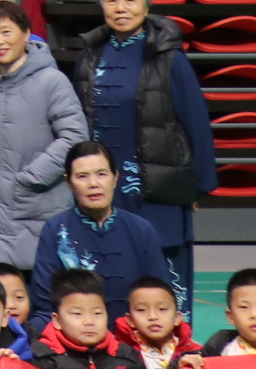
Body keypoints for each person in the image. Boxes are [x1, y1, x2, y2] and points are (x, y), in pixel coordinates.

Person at [60, 0, 217, 306]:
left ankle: (171, 337)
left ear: (146, 8)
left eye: (130, 0)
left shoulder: (168, 57)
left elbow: (196, 122)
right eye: (112, 0)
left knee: (162, 273)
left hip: (158, 187)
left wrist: (200, 185)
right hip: (103, 186)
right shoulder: (89, 57)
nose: (121, 8)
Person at [0, 0, 88, 263]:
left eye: (6, 32)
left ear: (26, 33)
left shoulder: (52, 81)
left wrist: (29, 179)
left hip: (41, 209)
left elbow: (75, 137)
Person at [29, 140, 172, 327]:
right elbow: (45, 305)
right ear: (69, 183)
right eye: (82, 176)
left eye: (102, 174)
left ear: (115, 178)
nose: (93, 184)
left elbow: (161, 298)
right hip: (74, 338)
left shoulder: (141, 230)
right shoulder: (55, 230)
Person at [30, 271, 148, 369]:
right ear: (57, 320)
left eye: (97, 313)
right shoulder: (41, 359)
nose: (89, 322)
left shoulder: (127, 356)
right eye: (77, 314)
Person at [117, 275, 202, 369]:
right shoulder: (118, 356)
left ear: (177, 318)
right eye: (141, 310)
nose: (153, 316)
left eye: (162, 309)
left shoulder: (195, 352)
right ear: (130, 320)